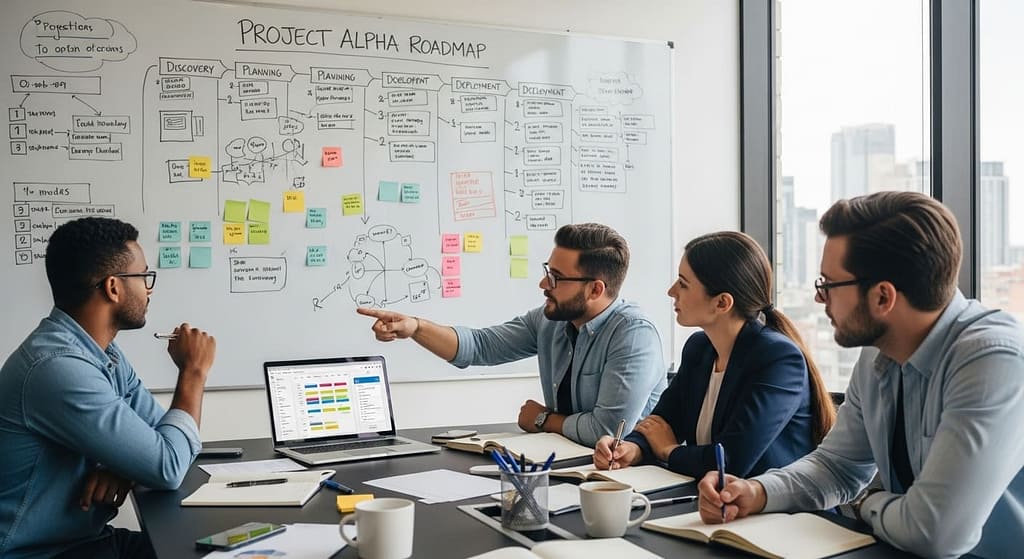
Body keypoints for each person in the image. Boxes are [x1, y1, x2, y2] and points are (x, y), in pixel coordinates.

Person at [697, 192, 1024, 559]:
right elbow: (837, 466)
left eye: (828, 284)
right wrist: (757, 492)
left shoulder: (993, 359)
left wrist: (865, 501)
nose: (820, 298)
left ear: (883, 297)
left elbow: (934, 532)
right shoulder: (878, 353)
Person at [0, 217, 217, 559]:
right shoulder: (58, 369)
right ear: (113, 287)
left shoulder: (103, 354)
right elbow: (168, 464)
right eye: (143, 276)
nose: (149, 289)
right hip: (41, 554)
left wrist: (126, 468)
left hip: (87, 542)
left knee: (217, 549)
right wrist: (193, 371)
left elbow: (162, 439)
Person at [357, 222, 666, 446]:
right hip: (567, 462)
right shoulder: (551, 321)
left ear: (595, 289)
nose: (543, 284)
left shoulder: (633, 334)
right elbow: (480, 346)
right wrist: (415, 327)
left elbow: (607, 432)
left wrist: (543, 420)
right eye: (547, 272)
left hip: (625, 479)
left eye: (556, 278)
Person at [593, 231, 835, 478]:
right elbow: (663, 422)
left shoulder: (778, 359)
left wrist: (669, 451)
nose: (671, 291)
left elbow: (730, 461)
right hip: (708, 494)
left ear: (721, 303)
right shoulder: (699, 347)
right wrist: (631, 448)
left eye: (683, 284)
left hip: (770, 500)